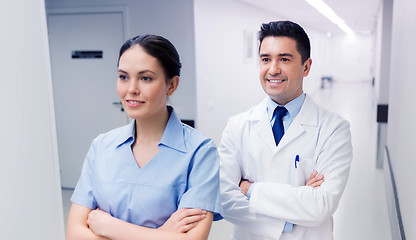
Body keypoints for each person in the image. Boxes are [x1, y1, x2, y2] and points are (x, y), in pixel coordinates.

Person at [66, 34, 222, 240]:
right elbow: (74, 234)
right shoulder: (102, 146)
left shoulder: (199, 151)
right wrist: (160, 235)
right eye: (123, 77)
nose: (131, 89)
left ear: (172, 85)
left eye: (145, 78)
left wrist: (108, 226)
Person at [219, 20, 352, 240]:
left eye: (284, 59)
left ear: (306, 67)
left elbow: (321, 206)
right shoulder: (237, 126)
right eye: (265, 59)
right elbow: (225, 199)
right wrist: (292, 213)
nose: (273, 69)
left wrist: (249, 190)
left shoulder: (334, 129)